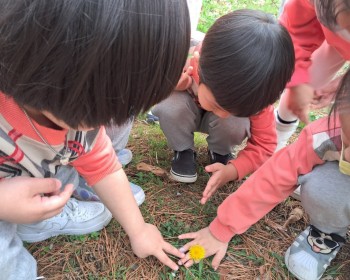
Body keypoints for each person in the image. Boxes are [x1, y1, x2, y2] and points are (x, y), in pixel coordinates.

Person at [0, 0, 190, 278]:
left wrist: (138, 230)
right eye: (91, 108)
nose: (101, 124)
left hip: (35, 172)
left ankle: (39, 216)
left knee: (75, 170)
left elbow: (104, 165)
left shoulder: (80, 119)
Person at [178, 66, 350, 280]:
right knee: (324, 188)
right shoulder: (324, 136)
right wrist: (222, 228)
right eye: (347, 139)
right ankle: (328, 231)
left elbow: (264, 144)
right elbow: (273, 178)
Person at [153, 9, 294, 192]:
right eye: (217, 105)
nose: (223, 114)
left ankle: (220, 153)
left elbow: (265, 145)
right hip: (187, 112)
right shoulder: (188, 60)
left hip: (220, 130)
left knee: (234, 123)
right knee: (169, 106)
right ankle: (183, 150)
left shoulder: (257, 98)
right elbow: (147, 84)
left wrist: (234, 170)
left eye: (236, 110)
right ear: (199, 63)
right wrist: (175, 84)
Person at [275, 0, 350, 151]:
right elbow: (295, 31)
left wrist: (343, 86)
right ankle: (277, 136)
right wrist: (298, 79)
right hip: (335, 37)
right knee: (299, 89)